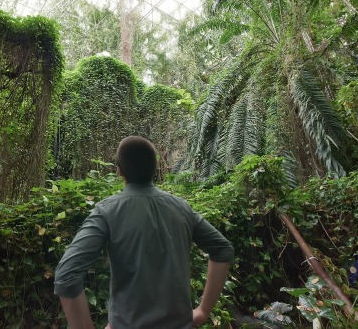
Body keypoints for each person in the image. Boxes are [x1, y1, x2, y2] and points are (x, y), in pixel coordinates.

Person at [54, 136, 234, 328]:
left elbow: (67, 275)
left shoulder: (107, 211)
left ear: (119, 171)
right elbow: (222, 249)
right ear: (155, 168)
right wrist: (203, 311)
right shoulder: (181, 208)